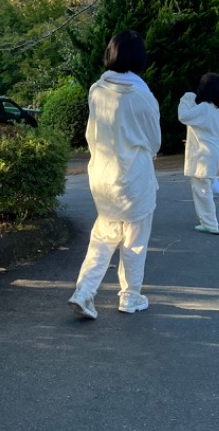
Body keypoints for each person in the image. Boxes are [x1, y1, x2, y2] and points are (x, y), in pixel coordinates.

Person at [68, 30, 161, 320]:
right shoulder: (142, 95)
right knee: (134, 240)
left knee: (103, 237)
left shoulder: (97, 89)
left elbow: (91, 134)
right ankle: (130, 297)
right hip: (135, 179)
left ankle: (84, 292)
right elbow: (153, 139)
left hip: (103, 177)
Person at [178, 73, 219, 235]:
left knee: (202, 190)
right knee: (204, 187)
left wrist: (186, 99)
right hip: (214, 152)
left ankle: (210, 224)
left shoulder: (204, 108)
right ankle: (207, 220)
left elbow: (184, 116)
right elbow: (213, 132)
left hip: (203, 156)